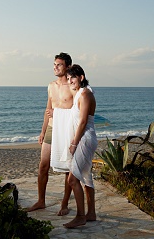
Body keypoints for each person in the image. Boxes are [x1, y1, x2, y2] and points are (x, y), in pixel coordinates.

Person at [27, 52, 73, 215]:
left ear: (67, 66)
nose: (55, 67)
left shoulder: (73, 86)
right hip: (52, 129)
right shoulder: (51, 85)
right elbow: (48, 110)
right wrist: (43, 131)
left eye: (59, 64)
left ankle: (65, 204)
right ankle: (41, 201)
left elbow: (77, 111)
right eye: (54, 64)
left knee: (68, 168)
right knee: (43, 165)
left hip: (67, 130)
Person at [63, 64, 98, 228]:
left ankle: (80, 216)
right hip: (86, 138)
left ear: (81, 78)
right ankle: (91, 213)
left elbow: (83, 121)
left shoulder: (85, 95)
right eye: (68, 78)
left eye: (73, 78)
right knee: (86, 176)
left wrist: (74, 143)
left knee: (72, 179)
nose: (70, 81)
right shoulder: (82, 93)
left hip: (84, 138)